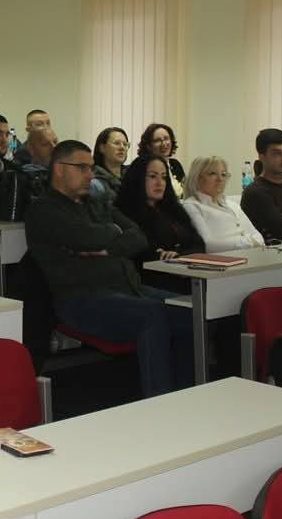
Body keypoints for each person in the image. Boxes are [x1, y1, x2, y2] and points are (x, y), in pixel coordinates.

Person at [26, 140, 194, 397]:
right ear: (59, 169)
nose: (90, 175)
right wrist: (113, 234)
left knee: (189, 309)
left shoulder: (97, 203)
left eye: (91, 168)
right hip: (82, 299)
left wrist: (107, 246)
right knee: (153, 315)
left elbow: (138, 237)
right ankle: (160, 400)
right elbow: (87, 237)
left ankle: (187, 394)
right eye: (82, 168)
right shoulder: (43, 210)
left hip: (128, 288)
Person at [115, 155, 205, 265]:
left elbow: (199, 244)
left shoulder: (173, 208)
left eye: (164, 177)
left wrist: (179, 255)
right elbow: (140, 252)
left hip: (184, 268)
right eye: (153, 176)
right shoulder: (124, 211)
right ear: (137, 178)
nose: (160, 183)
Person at [181, 156, 266, 252]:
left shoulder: (232, 204)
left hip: (250, 255)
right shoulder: (192, 205)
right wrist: (249, 243)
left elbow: (259, 237)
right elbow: (209, 244)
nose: (220, 179)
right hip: (222, 258)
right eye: (212, 174)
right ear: (197, 177)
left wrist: (249, 243)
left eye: (223, 174)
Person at [138, 123, 184, 188]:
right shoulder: (143, 168)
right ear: (149, 146)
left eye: (166, 138)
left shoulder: (175, 164)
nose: (164, 144)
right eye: (157, 140)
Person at [92, 127, 129, 197]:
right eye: (116, 143)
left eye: (125, 144)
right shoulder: (95, 183)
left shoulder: (132, 174)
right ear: (102, 148)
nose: (122, 147)